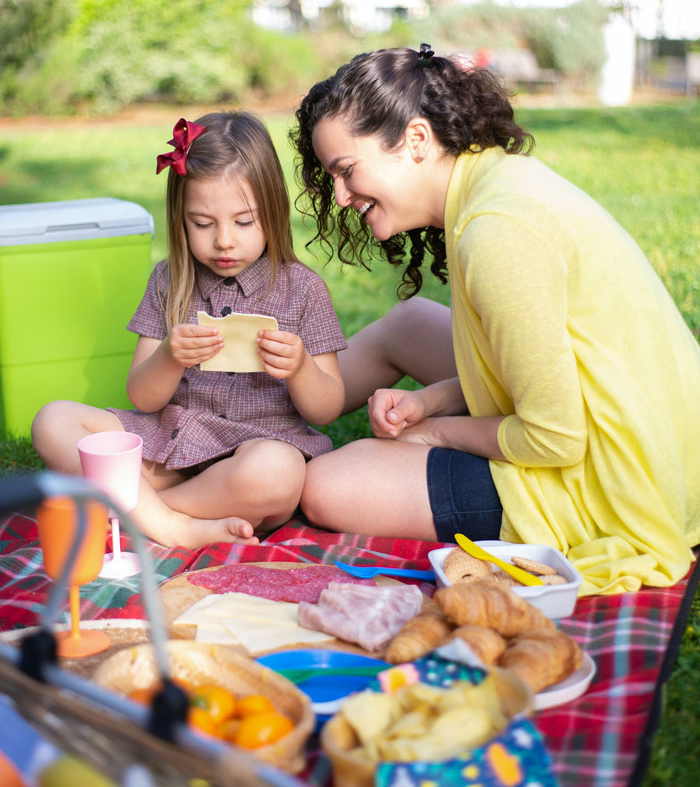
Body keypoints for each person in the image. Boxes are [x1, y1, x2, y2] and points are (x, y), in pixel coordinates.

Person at [291, 43, 700, 595]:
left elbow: (555, 439)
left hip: (619, 476)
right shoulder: (495, 181)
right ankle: (242, 419)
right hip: (638, 423)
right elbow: (534, 367)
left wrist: (432, 431)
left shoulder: (496, 232)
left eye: (346, 171)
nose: (339, 197)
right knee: (410, 322)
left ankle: (243, 440)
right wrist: (428, 400)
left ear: (415, 140)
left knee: (328, 485)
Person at [32, 111, 346, 549]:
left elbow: (328, 407)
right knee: (53, 421)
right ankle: (169, 525)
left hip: (255, 452)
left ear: (272, 212)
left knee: (279, 474)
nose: (223, 241)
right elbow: (142, 397)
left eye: (244, 221)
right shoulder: (170, 279)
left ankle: (136, 511)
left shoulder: (303, 290)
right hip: (170, 445)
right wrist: (169, 357)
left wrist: (299, 369)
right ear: (181, 218)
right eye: (202, 223)